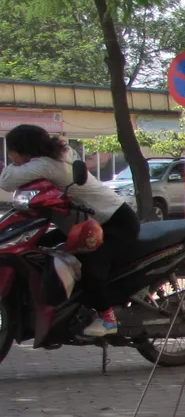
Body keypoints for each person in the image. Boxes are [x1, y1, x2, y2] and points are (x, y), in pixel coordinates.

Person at [0, 124, 139, 337]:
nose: (10, 156)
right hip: (84, 225)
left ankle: (107, 319)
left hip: (113, 222)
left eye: (12, 152)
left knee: (90, 268)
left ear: (25, 151)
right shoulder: (59, 154)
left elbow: (6, 181)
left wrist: (11, 166)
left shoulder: (47, 164)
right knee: (42, 248)